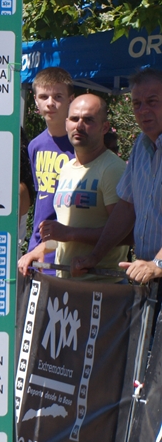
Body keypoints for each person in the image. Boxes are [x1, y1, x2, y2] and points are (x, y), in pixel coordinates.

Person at [18, 94, 127, 281]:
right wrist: (40, 249)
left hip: (104, 285)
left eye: (88, 120)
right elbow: (65, 233)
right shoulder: (67, 168)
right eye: (74, 119)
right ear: (67, 123)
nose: (79, 126)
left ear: (105, 128)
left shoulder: (112, 169)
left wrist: (69, 234)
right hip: (68, 284)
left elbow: (125, 233)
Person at [73, 69, 162, 284]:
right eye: (137, 104)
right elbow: (126, 207)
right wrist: (94, 257)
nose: (143, 110)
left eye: (152, 101)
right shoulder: (141, 146)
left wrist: (158, 263)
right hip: (146, 278)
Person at [26, 67, 75, 269]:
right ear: (35, 100)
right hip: (36, 249)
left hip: (69, 252)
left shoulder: (81, 145)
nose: (50, 103)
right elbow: (42, 197)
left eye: (58, 96)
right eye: (44, 96)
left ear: (71, 99)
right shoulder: (35, 146)